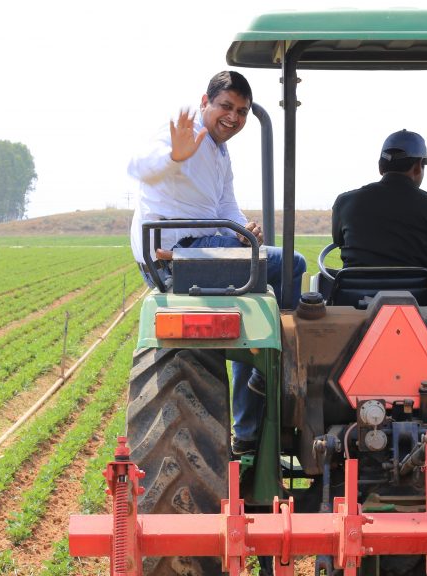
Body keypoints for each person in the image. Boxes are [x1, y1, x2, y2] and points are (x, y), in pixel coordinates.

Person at [128, 70, 306, 456]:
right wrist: (173, 156)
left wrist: (244, 230)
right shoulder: (184, 132)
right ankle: (271, 370)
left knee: (252, 310)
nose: (233, 117)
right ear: (205, 101)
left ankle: (250, 418)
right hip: (179, 252)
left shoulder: (220, 152)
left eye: (241, 111)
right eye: (226, 106)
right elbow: (138, 167)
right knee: (292, 265)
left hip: (200, 246)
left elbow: (224, 206)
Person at [331, 129, 427, 305]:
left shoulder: (344, 202)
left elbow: (339, 241)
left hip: (354, 303)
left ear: (380, 167)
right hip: (416, 308)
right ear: (418, 166)